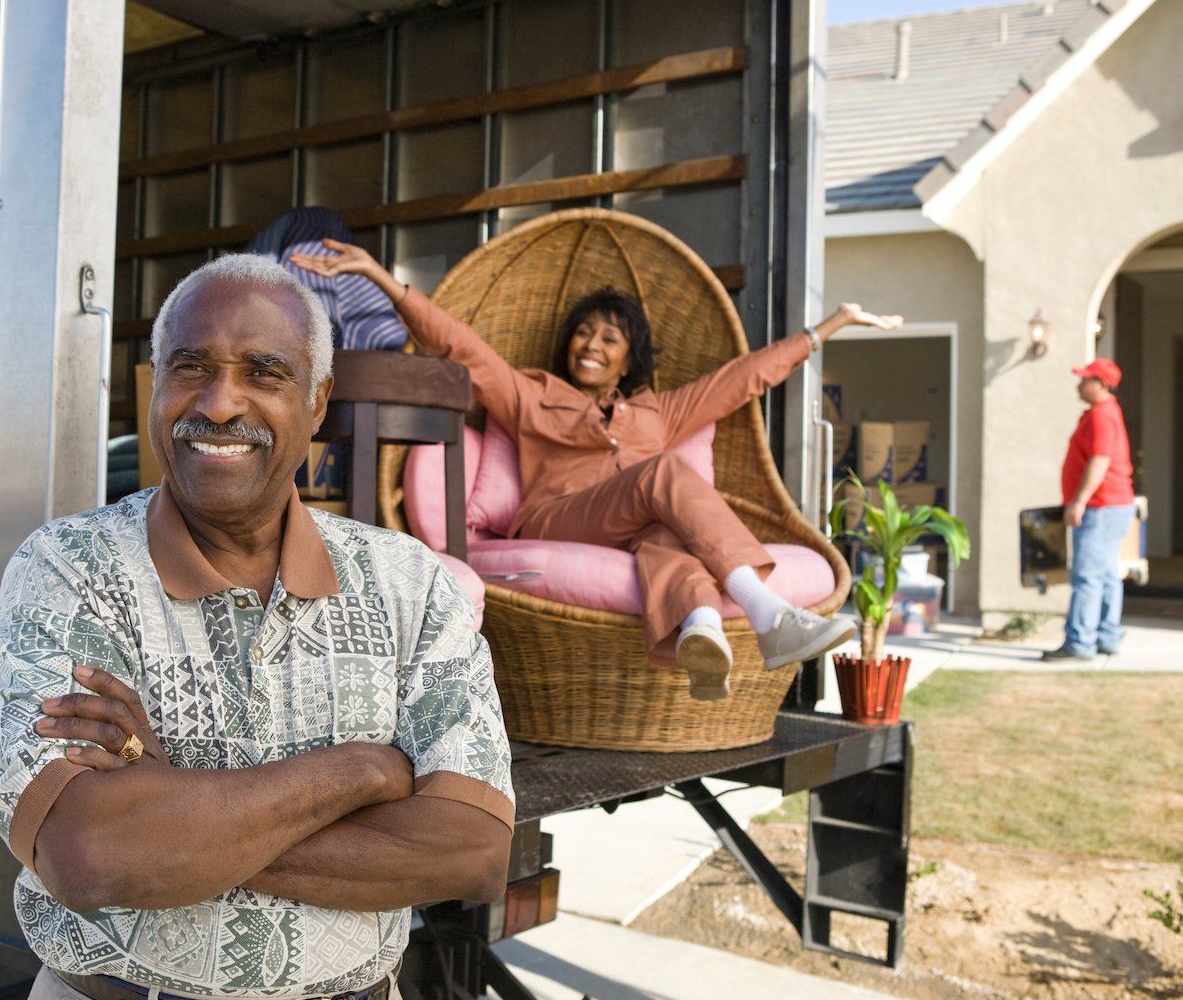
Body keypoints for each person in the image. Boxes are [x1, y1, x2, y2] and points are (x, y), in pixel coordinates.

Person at [0, 254, 513, 1000]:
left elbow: (472, 852)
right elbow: (89, 855)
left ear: (318, 400)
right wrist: (362, 772)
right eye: (192, 366)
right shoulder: (70, 570)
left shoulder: (413, 586)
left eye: (264, 372)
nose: (222, 403)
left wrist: (173, 812)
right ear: (157, 382)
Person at [291, 239, 902, 700]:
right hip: (559, 518)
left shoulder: (657, 411)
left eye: (609, 339)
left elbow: (743, 380)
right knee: (663, 477)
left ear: (628, 357)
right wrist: (381, 278)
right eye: (583, 333)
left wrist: (830, 327)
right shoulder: (533, 395)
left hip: (633, 521)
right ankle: (767, 612)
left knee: (668, 533)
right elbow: (461, 348)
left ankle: (704, 626)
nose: (591, 344)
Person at [1044, 358, 1135, 662]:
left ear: (1102, 384)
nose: (1079, 385)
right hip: (1111, 506)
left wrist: (1079, 501)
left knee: (1087, 576)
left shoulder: (1102, 415)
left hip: (1101, 507)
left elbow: (1100, 461)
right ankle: (1106, 636)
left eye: (1085, 380)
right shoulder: (1101, 413)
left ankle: (1079, 643)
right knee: (1106, 574)